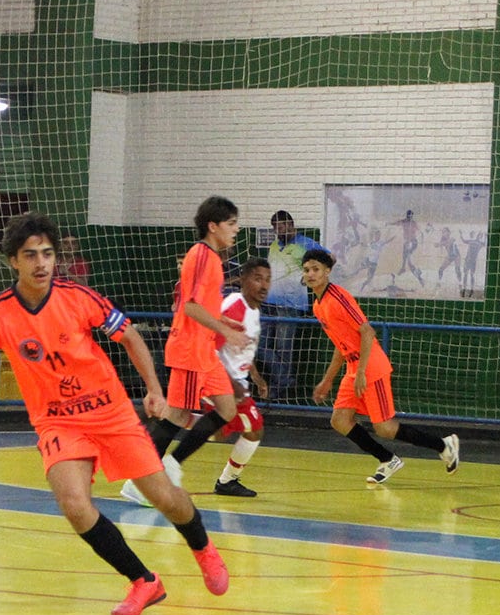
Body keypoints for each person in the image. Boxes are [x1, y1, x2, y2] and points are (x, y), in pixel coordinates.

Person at [0, 211, 229, 615]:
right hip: (58, 422)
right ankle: (145, 582)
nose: (41, 263)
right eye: (31, 255)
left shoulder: (77, 297)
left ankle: (204, 549)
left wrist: (155, 389)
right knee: (74, 504)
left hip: (110, 412)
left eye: (48, 254)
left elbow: (130, 335)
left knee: (164, 497)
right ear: (13, 261)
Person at [302, 248, 460, 484]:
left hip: (370, 366)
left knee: (384, 428)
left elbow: (367, 332)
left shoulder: (338, 298)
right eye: (306, 270)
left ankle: (443, 445)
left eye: (316, 269)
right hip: (353, 367)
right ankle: (387, 459)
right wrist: (328, 380)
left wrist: (362, 372)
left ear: (327, 271)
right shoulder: (318, 305)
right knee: (340, 420)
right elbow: (340, 344)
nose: (310, 274)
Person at [125, 260, 271, 502]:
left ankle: (151, 475)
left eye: (267, 279)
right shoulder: (235, 305)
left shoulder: (252, 310)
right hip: (210, 371)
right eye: (257, 278)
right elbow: (212, 344)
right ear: (242, 280)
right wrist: (230, 383)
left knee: (207, 425)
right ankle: (215, 478)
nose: (264, 284)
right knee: (252, 426)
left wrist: (254, 375)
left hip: (221, 375)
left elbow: (240, 345)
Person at [135, 196, 254, 493]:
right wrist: (226, 331)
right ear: (212, 226)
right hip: (189, 348)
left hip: (205, 351)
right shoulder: (201, 255)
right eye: (231, 223)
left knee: (227, 409)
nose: (236, 230)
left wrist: (225, 325)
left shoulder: (212, 258)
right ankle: (140, 481)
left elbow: (202, 307)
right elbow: (190, 307)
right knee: (175, 415)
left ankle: (171, 466)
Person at [262, 209, 324, 401]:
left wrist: (311, 278)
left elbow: (329, 258)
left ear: (291, 224)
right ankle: (286, 379)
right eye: (275, 227)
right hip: (267, 303)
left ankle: (280, 387)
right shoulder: (274, 245)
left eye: (281, 226)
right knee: (260, 344)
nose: (278, 230)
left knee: (283, 347)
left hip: (290, 304)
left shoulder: (305, 244)